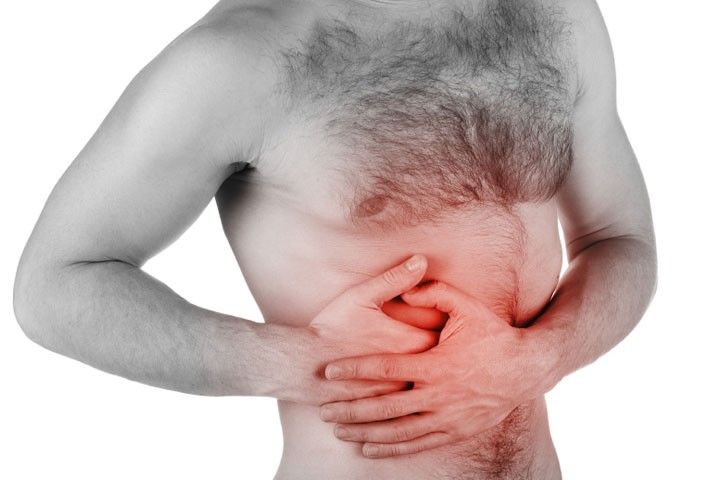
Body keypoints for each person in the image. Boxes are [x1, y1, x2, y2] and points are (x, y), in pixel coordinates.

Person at [13, 0, 657, 478]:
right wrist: (308, 363)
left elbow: (619, 239)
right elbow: (53, 285)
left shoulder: (555, 15)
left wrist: (538, 359)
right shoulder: (240, 56)